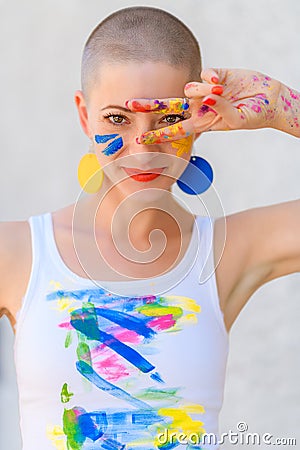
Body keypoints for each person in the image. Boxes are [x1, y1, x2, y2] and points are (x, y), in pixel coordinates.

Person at [0, 6, 299, 450]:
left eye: (169, 119)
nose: (144, 147)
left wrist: (282, 107)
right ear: (85, 116)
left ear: (201, 118)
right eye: (118, 119)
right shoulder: (17, 253)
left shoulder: (226, 252)